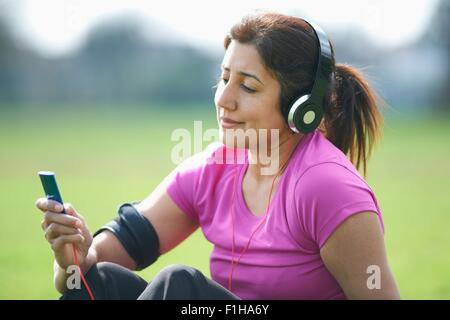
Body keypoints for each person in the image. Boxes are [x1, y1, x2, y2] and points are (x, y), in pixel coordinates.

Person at [35, 12, 400, 300]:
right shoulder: (212, 170)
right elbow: (81, 276)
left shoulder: (328, 187)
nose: (224, 99)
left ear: (300, 107)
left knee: (180, 286)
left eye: (248, 86)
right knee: (101, 281)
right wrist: (72, 258)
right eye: (224, 78)